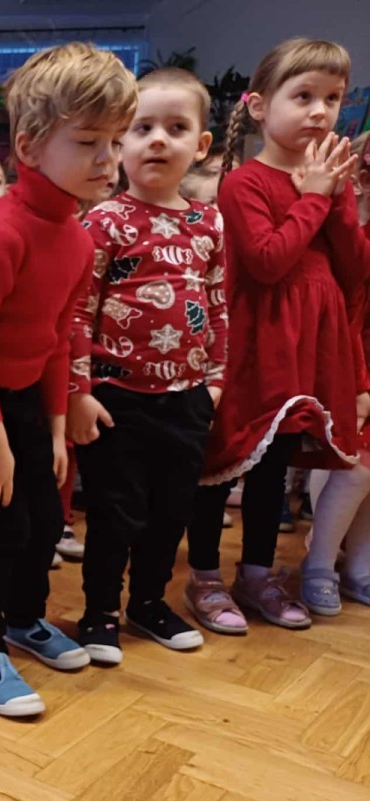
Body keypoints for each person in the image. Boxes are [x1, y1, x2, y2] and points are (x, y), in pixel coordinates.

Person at [0, 42, 138, 717]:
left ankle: (22, 618)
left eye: (115, 142)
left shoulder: (78, 237)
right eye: (89, 141)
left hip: (16, 400)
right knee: (6, 527)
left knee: (45, 520)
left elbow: (58, 339)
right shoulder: (0, 233)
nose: (108, 158)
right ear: (32, 147)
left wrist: (58, 424)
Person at [186, 38, 367, 632]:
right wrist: (314, 198)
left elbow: (353, 270)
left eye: (333, 99)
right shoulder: (243, 183)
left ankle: (258, 573)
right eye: (304, 96)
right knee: (225, 462)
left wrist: (336, 198)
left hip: (310, 347)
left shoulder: (328, 182)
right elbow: (268, 261)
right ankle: (204, 577)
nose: (320, 111)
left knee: (274, 468)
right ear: (261, 106)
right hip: (258, 345)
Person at [68, 67, 226, 663]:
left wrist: (215, 381)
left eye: (176, 128)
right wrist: (79, 391)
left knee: (170, 512)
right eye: (143, 128)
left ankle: (149, 602)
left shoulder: (208, 222)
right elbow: (78, 312)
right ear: (120, 143)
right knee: (117, 512)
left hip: (187, 399)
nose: (158, 139)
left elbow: (218, 303)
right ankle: (100, 612)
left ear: (200, 145)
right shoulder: (104, 220)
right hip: (116, 399)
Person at [295, 130, 370, 611]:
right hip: (346, 362)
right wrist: (359, 386)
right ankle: (320, 563)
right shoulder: (344, 235)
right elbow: (348, 317)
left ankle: (359, 567)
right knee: (355, 468)